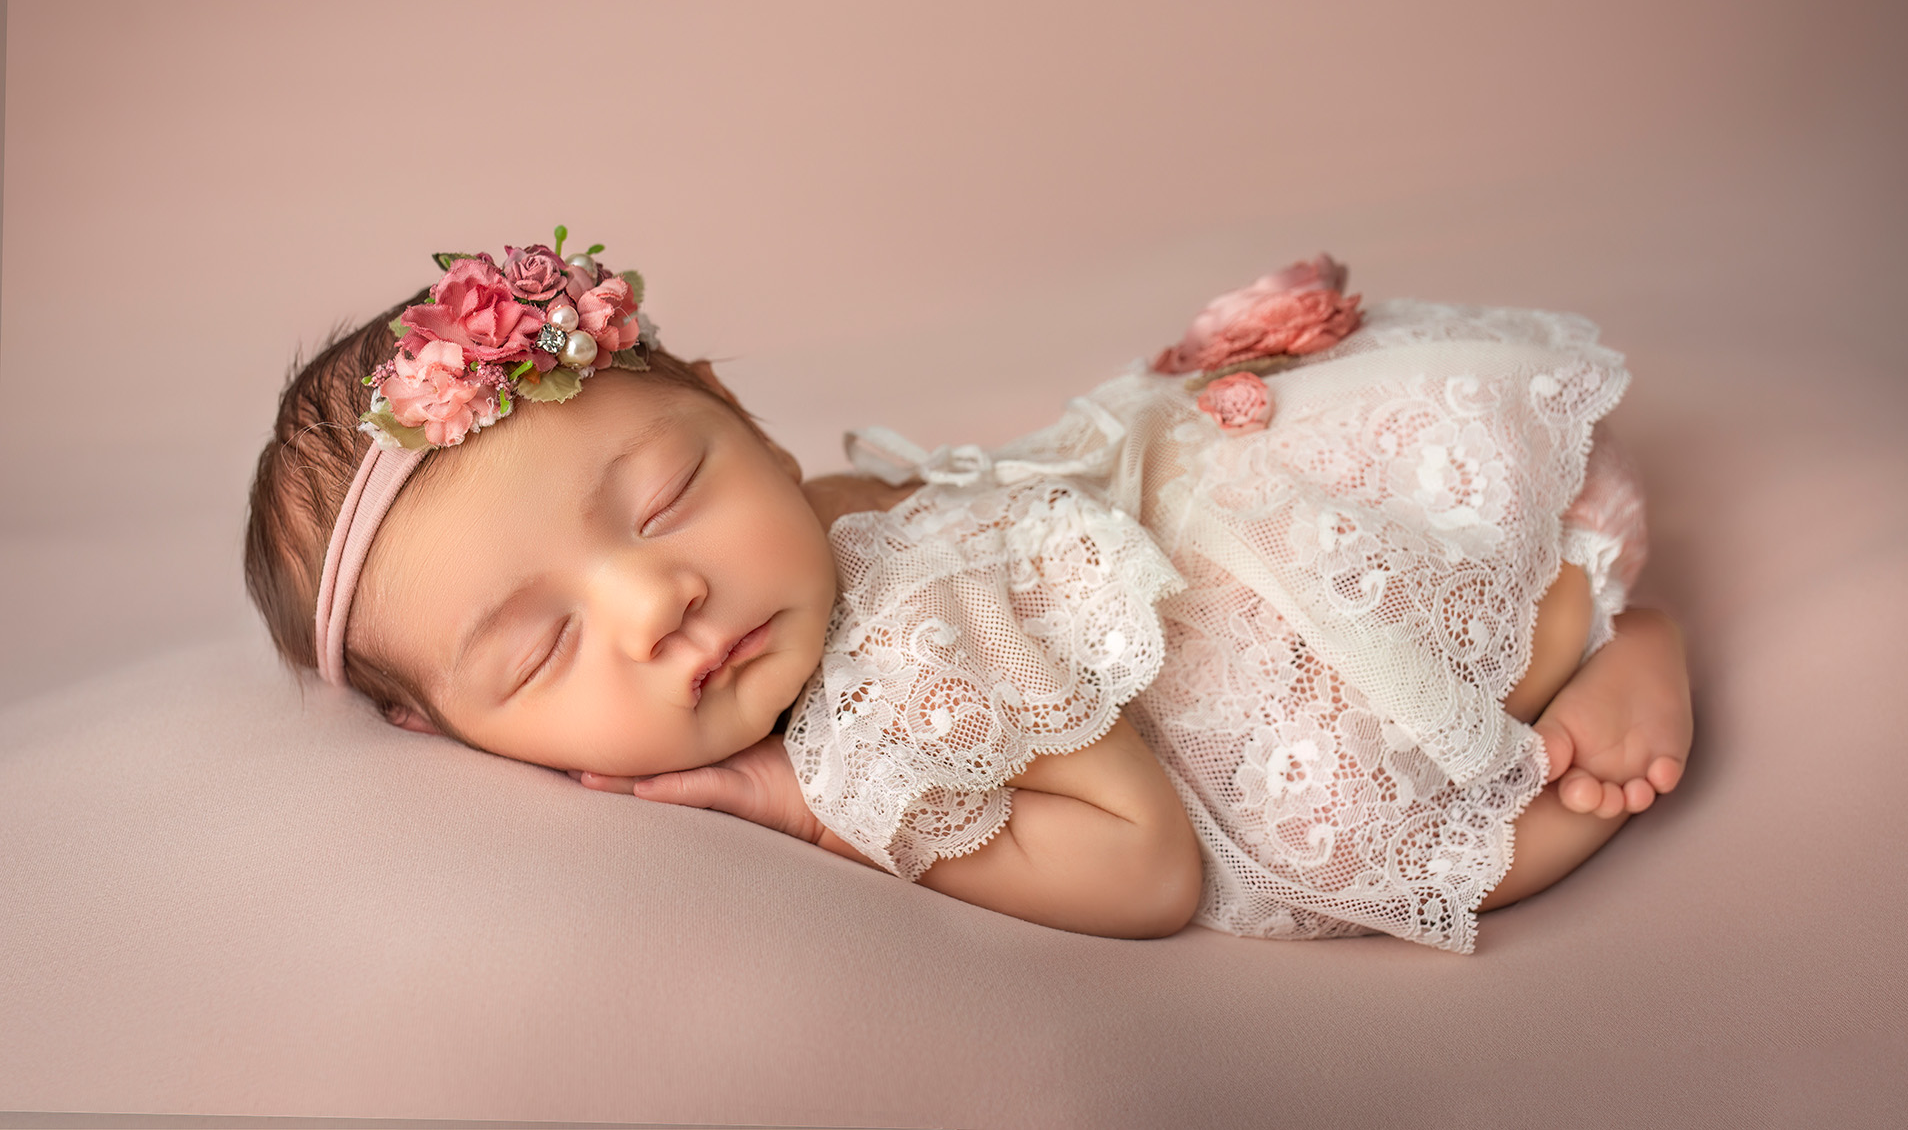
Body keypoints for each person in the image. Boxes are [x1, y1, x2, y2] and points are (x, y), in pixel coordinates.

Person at [244, 230, 1692, 952]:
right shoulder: (819, 534)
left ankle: (1615, 635)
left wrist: (823, 811)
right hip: (1217, 562)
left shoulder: (903, 648)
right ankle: (1598, 624)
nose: (656, 602)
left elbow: (1148, 865)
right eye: (546, 644)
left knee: (1403, 839)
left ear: (736, 409)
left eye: (669, 498)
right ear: (450, 736)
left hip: (1304, 630)